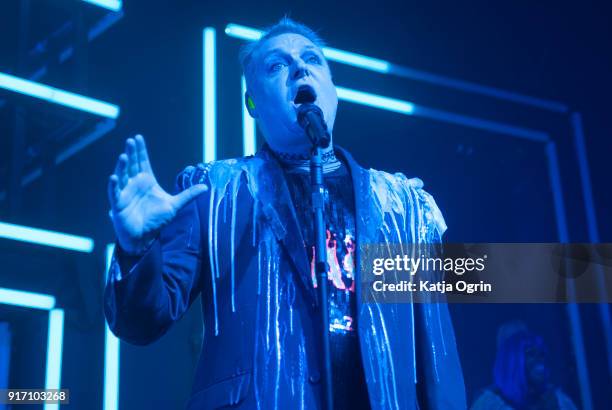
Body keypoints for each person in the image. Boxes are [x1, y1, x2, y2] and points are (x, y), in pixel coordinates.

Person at [104, 17, 466, 410]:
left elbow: (437, 355)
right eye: (276, 65)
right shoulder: (212, 189)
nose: (299, 67)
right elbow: (141, 322)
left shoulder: (400, 204)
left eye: (312, 59)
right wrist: (137, 248)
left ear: (333, 89)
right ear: (252, 103)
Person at [471, 322, 577, 410]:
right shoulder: (489, 402)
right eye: (530, 353)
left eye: (541, 354)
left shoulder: (557, 399)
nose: (539, 359)